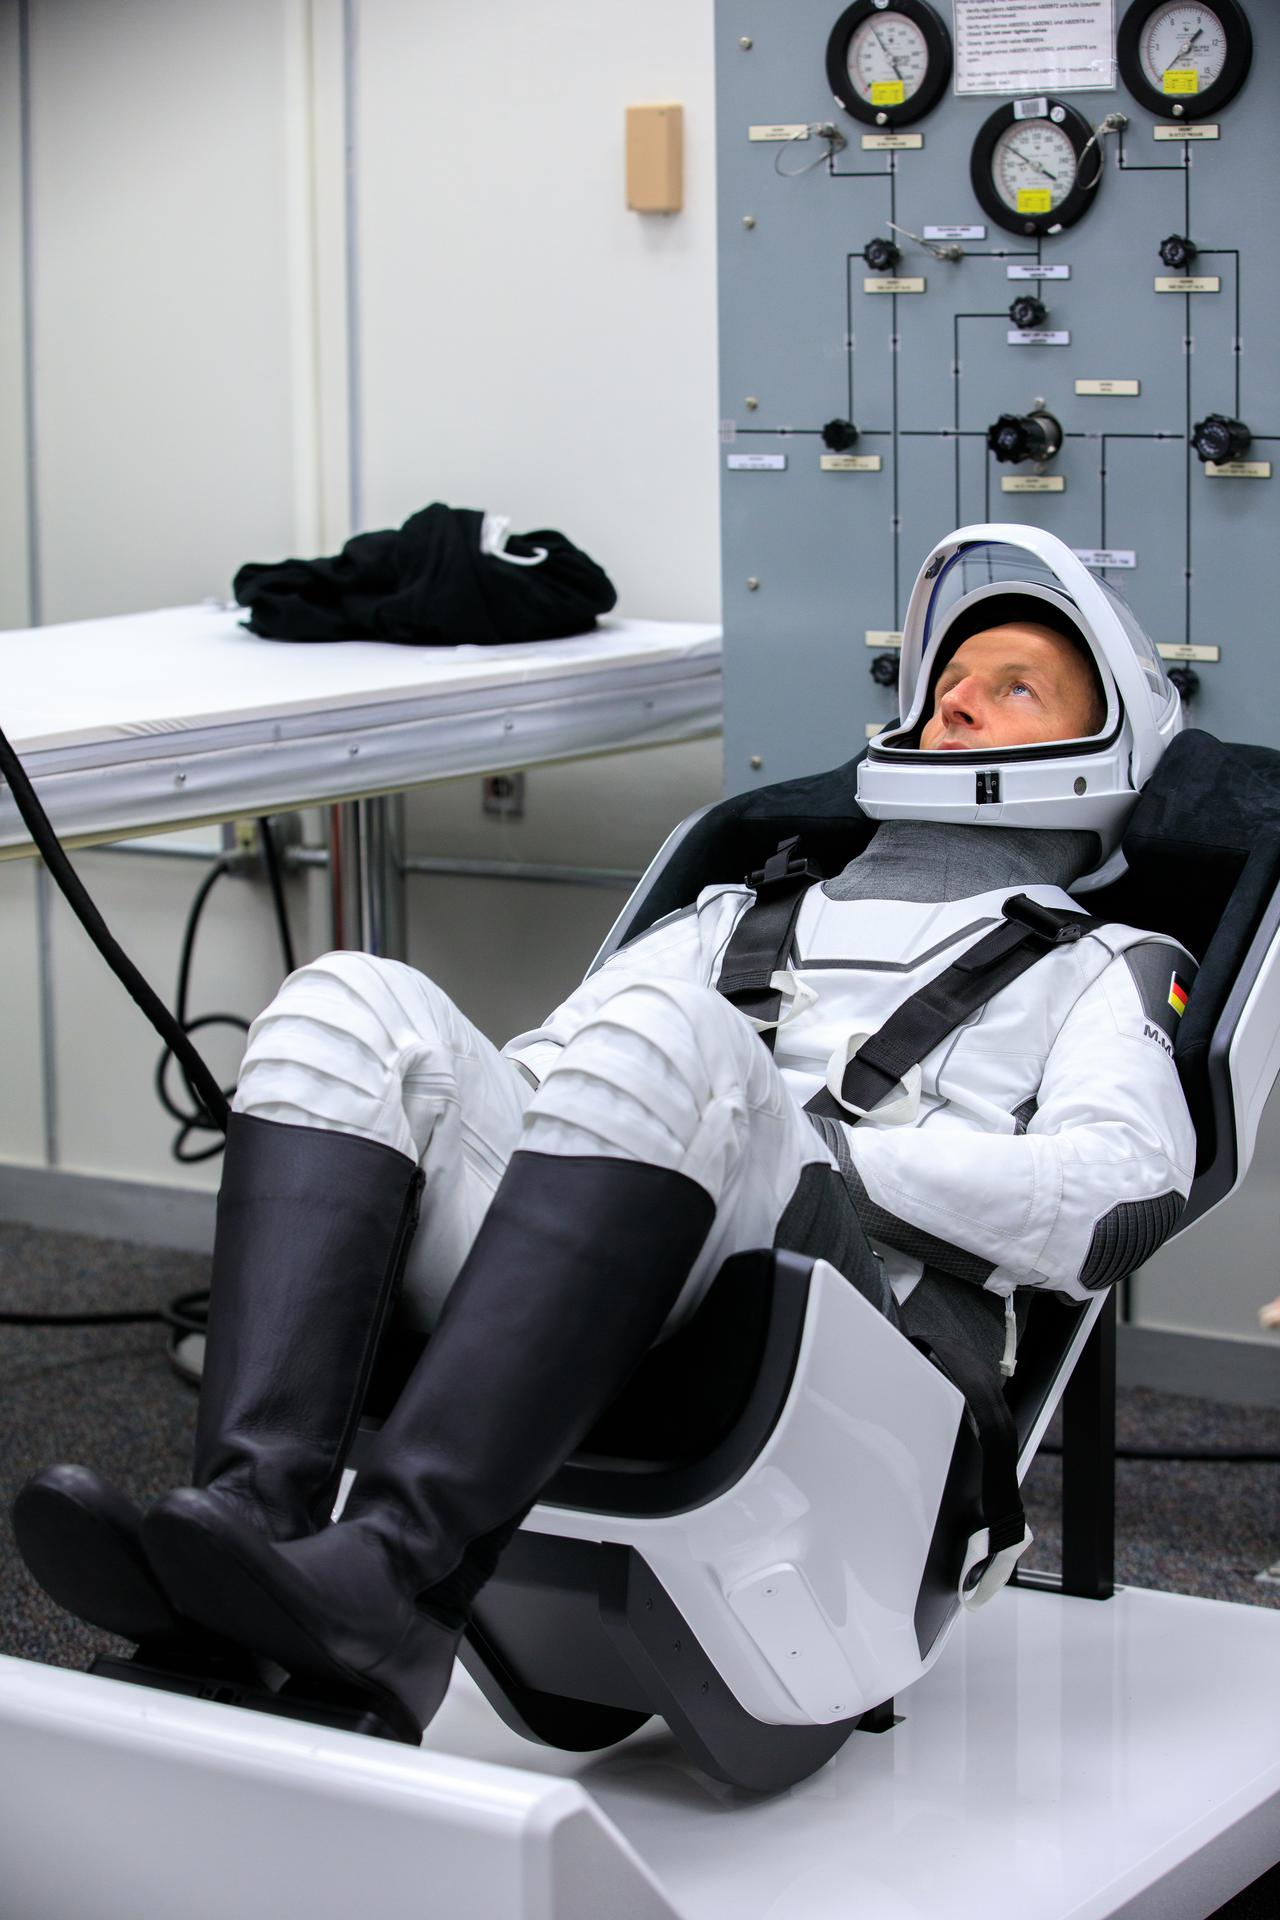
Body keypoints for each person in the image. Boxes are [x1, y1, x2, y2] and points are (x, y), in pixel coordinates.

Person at [14, 525, 1198, 1747]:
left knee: (679, 1043)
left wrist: (816, 1149)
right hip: (621, 1268)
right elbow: (555, 1080)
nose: (954, 702)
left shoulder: (1098, 964)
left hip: (867, 1358)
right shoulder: (740, 911)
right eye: (947, 680)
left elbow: (1117, 1199)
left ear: (1102, 745)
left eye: (1014, 688)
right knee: (349, 1006)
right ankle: (254, 1522)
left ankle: (400, 1579)